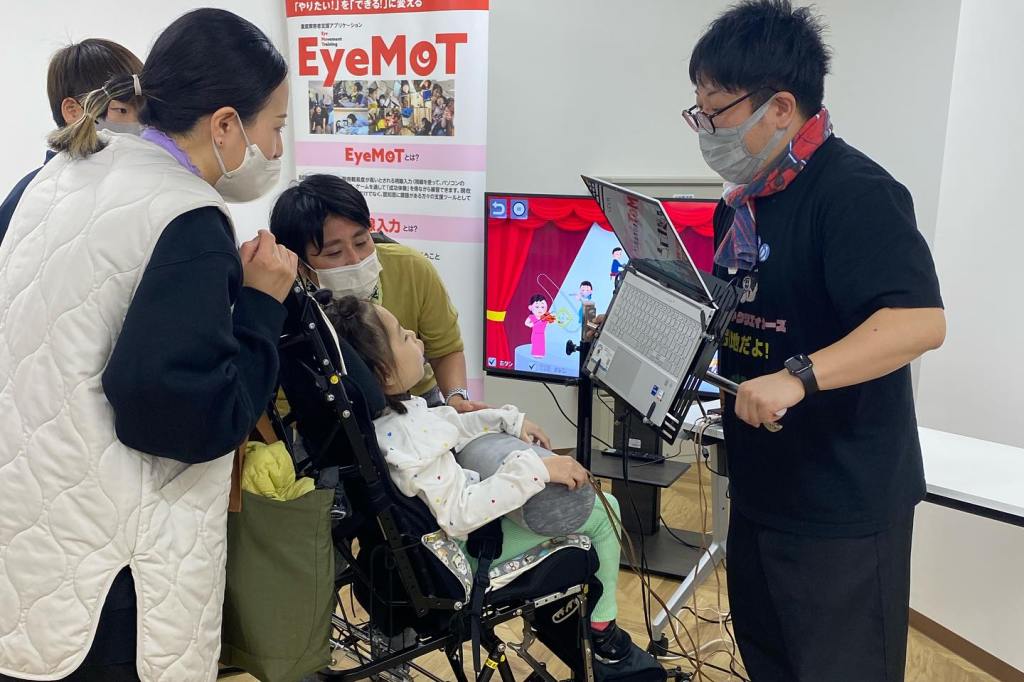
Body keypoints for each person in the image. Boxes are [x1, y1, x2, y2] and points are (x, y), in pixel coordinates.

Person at [0, 9, 296, 682]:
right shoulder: (185, 216)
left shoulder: (48, 180)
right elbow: (183, 419)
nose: (278, 149)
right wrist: (259, 306)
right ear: (226, 124)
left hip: (29, 551)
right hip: (113, 578)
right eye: (275, 127)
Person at [684, 2, 946, 680]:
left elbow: (918, 322)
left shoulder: (857, 193)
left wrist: (797, 376)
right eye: (698, 112)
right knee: (770, 661)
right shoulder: (741, 203)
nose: (706, 129)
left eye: (716, 112)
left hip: (842, 503)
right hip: (763, 486)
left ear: (780, 107)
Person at [325, 295, 664, 675]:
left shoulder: (389, 421)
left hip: (447, 543)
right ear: (385, 374)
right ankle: (603, 632)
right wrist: (534, 469)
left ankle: (569, 623)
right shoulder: (411, 443)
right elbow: (460, 514)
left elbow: (449, 423)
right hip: (463, 556)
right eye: (404, 336)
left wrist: (507, 421)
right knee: (605, 513)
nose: (416, 338)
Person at [271, 174, 484, 411]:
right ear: (300, 264)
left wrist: (456, 400)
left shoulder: (410, 268)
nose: (355, 259)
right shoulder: (281, 302)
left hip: (419, 401)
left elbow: (445, 349)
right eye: (334, 253)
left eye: (362, 242)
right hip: (331, 415)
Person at [0, 39, 143, 245]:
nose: (142, 125)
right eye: (122, 110)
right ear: (73, 111)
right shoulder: (28, 197)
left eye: (147, 112)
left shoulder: (143, 182)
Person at [524, 294, 552, 358]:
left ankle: (541, 354)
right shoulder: (532, 317)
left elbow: (552, 321)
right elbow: (526, 323)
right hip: (535, 334)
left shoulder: (546, 316)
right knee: (535, 344)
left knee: (541, 344)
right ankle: (535, 354)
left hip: (542, 335)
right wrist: (531, 325)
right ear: (530, 307)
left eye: (542, 307)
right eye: (537, 307)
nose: (540, 309)